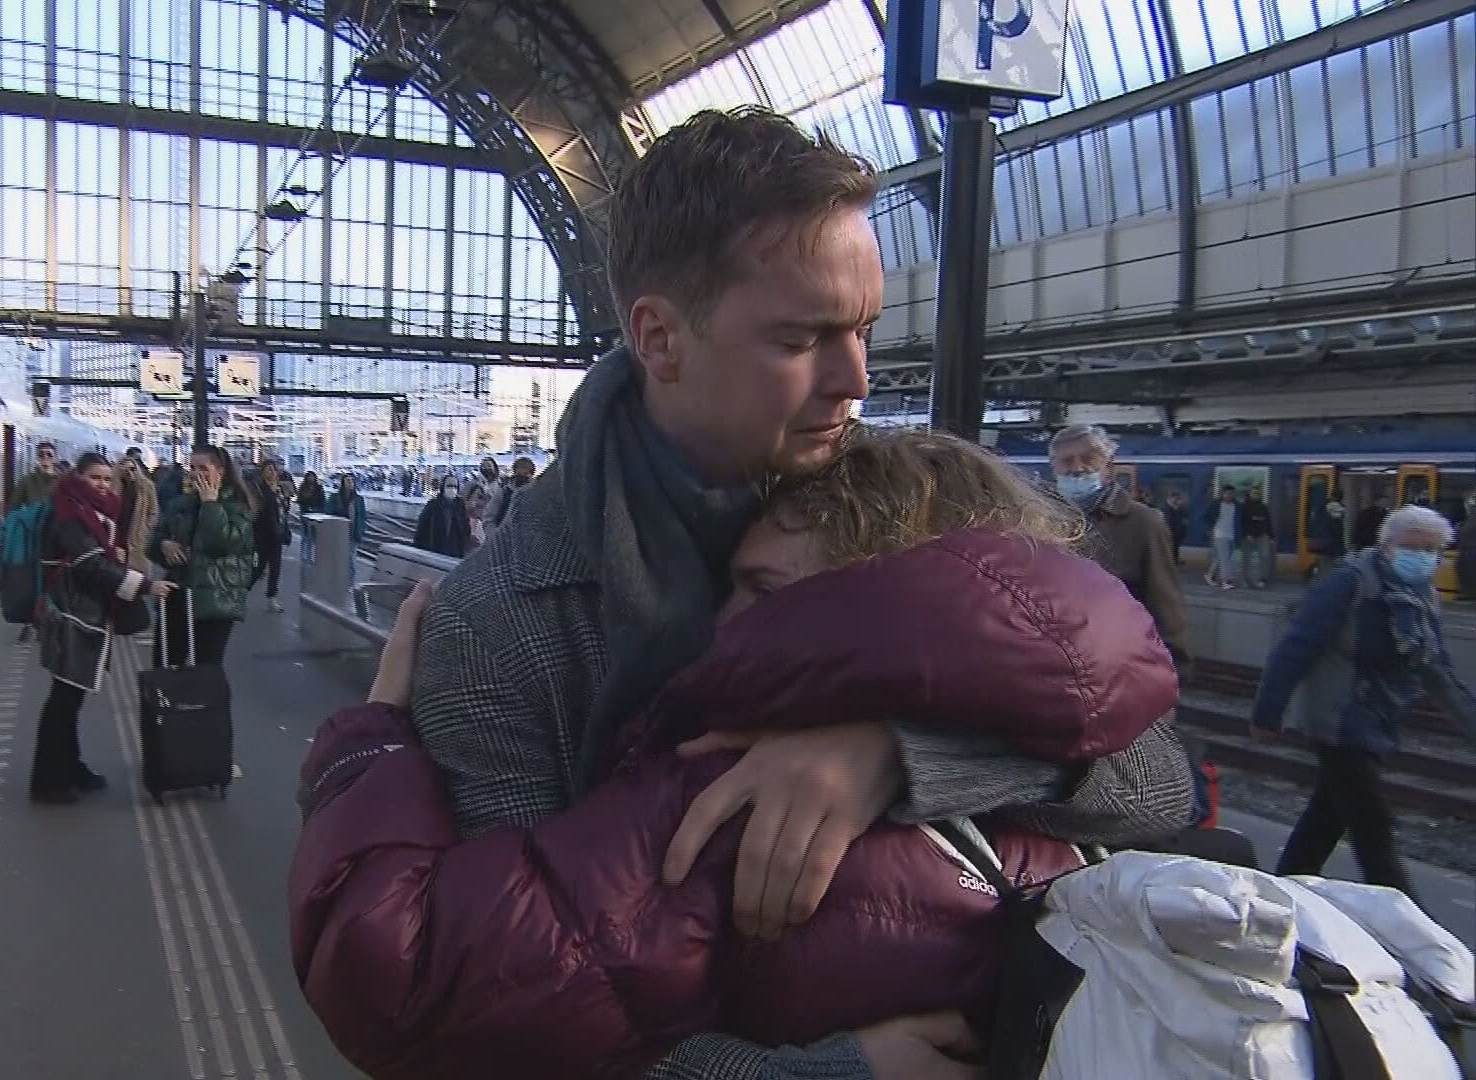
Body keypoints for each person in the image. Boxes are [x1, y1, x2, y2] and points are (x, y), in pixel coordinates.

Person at [397, 107, 1195, 1080]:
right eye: (800, 338)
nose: (855, 379)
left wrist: (900, 757)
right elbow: (509, 1011)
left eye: (861, 329)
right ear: (660, 338)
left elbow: (1160, 781)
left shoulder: (901, 505)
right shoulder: (502, 626)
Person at [293, 428, 1182, 1079]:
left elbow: (403, 977)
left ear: (877, 597)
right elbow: (1169, 782)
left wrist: (370, 740)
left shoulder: (727, 787)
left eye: (763, 592)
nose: (719, 627)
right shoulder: (1066, 741)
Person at [1250, 504, 1474, 898]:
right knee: (1373, 826)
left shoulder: (1422, 596)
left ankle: (1283, 892)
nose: (1421, 557)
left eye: (1431, 550)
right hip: (1337, 718)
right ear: (1387, 545)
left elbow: (1436, 668)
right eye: (1412, 546)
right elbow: (1296, 647)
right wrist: (1268, 711)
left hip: (1378, 717)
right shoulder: (1351, 583)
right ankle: (1408, 921)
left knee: (1327, 817)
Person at [29, 452, 174, 804]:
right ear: (78, 478)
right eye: (96, 478)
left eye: (108, 479)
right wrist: (144, 585)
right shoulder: (70, 514)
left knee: (70, 698)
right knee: (63, 701)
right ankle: (48, 782)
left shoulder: (89, 509)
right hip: (71, 615)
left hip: (82, 614)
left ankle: (68, 767)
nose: (103, 485)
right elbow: (89, 565)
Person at [1048, 424, 1188, 668]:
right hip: (1053, 666)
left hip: (1115, 664)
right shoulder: (1038, 520)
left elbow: (1165, 604)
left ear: (1108, 467)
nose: (1077, 468)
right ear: (1054, 469)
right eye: (1066, 461)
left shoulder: (1144, 523)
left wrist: (1173, 671)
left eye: (1089, 459)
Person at [148, 445, 257, 669]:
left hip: (215, 600)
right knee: (165, 667)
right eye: (192, 467)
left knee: (206, 672)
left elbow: (221, 543)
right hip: (177, 595)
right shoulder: (180, 505)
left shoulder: (238, 507)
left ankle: (201, 705)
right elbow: (152, 540)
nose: (197, 474)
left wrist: (210, 504)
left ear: (221, 471)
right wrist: (163, 544)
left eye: (204, 468)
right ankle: (164, 705)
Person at [250, 459, 292, 613]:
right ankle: (240, 594)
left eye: (273, 469)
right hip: (262, 534)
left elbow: (284, 510)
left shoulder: (280, 489)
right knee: (258, 568)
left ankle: (272, 598)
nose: (272, 472)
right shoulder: (259, 489)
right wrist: (272, 494)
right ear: (262, 472)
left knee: (275, 568)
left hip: (277, 535)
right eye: (268, 469)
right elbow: (260, 510)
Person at [114, 450, 159, 578]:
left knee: (138, 574)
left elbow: (153, 511)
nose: (130, 473)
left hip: (138, 535)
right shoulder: (115, 487)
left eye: (133, 469)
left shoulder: (146, 486)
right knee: (118, 574)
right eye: (125, 470)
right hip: (119, 533)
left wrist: (146, 529)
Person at [413, 477, 471, 558]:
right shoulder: (432, 505)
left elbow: (465, 529)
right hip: (433, 551)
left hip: (454, 553)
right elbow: (421, 528)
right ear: (443, 487)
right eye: (449, 486)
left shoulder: (460, 506)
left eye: (455, 486)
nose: (452, 489)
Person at [328, 473, 367, 581]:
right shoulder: (335, 497)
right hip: (338, 532)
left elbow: (363, 516)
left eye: (352, 480)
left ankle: (350, 581)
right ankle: (337, 578)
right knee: (338, 557)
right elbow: (328, 512)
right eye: (347, 480)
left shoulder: (358, 499)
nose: (350, 482)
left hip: (353, 533)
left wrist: (362, 529)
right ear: (343, 483)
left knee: (351, 559)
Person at [482, 454, 535, 535]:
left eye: (525, 473)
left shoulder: (536, 491)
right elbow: (489, 515)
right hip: (504, 536)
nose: (522, 476)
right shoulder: (505, 490)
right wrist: (493, 534)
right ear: (515, 471)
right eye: (519, 472)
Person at [1204, 485, 1239, 589]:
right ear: (1223, 494)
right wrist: (1211, 530)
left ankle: (1209, 576)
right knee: (1225, 559)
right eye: (1227, 493)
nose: (1229, 495)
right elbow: (1206, 517)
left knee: (1220, 558)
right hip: (1219, 534)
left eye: (1231, 493)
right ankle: (1226, 581)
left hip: (1232, 535)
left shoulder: (1236, 505)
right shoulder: (1216, 504)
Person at [1238, 487, 1275, 588]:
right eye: (1254, 493)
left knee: (1264, 557)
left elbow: (1268, 522)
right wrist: (1246, 534)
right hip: (1248, 537)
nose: (1256, 495)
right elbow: (1241, 522)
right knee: (1246, 559)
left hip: (1262, 535)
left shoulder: (1264, 507)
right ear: (1249, 494)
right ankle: (1245, 579)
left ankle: (1262, 579)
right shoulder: (1244, 507)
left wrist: (1271, 537)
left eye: (1258, 493)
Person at [9, 440, 59, 511]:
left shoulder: (63, 481)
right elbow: (14, 507)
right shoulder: (27, 481)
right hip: (35, 521)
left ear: (55, 459)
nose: (45, 456)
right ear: (37, 458)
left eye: (49, 454)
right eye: (41, 454)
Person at [1307, 497, 1347, 580]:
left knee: (1321, 564)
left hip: (1318, 544)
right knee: (1328, 568)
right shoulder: (1334, 512)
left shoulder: (1319, 512)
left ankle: (1318, 580)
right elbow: (1337, 530)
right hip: (1329, 545)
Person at [295, 470, 327, 563]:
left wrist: (320, 511)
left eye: (312, 477)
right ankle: (304, 555)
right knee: (305, 535)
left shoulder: (319, 488)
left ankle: (312, 556)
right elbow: (299, 499)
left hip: (316, 514)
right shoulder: (302, 487)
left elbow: (322, 500)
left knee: (314, 536)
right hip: (305, 514)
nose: (311, 479)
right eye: (309, 477)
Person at [1161, 490, 1189, 565]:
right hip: (1169, 532)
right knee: (1169, 548)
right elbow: (1168, 520)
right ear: (1171, 498)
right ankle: (1168, 563)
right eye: (1176, 498)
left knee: (1175, 547)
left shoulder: (1178, 508)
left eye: (1178, 498)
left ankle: (1174, 561)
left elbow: (1183, 518)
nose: (1177, 500)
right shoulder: (1165, 508)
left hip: (1177, 532)